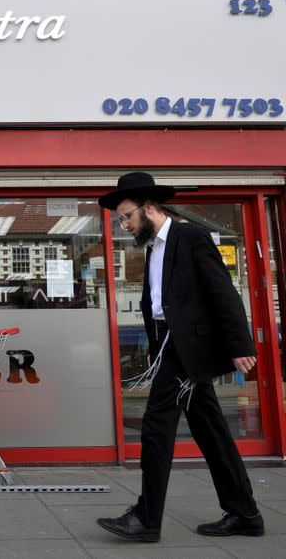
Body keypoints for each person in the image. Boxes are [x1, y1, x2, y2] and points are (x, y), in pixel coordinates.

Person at [96, 172, 265, 542]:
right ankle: (245, 514)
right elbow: (161, 304)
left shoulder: (190, 237)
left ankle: (146, 518)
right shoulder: (153, 247)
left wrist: (240, 346)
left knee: (156, 426)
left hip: (186, 349)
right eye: (121, 218)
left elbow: (224, 292)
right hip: (169, 345)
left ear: (150, 207)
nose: (124, 225)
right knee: (212, 432)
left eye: (127, 216)